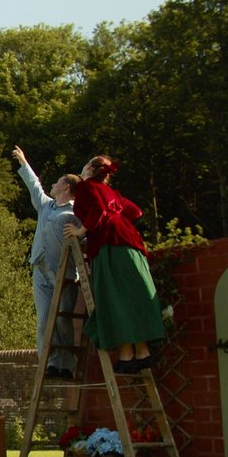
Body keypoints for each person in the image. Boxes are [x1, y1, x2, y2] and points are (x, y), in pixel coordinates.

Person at [63, 156, 165, 374]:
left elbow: (99, 210)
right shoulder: (113, 193)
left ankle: (131, 352)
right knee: (131, 293)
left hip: (109, 244)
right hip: (130, 241)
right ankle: (135, 352)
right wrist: (115, 212)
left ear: (90, 168)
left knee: (114, 296)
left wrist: (81, 230)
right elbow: (136, 212)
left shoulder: (86, 186)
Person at [12, 146, 82, 379]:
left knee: (62, 319)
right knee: (43, 322)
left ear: (66, 187)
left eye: (58, 182)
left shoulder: (75, 212)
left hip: (64, 272)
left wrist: (80, 232)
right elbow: (35, 186)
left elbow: (87, 233)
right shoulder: (45, 206)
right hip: (40, 270)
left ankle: (67, 366)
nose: (53, 184)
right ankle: (49, 364)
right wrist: (24, 163)